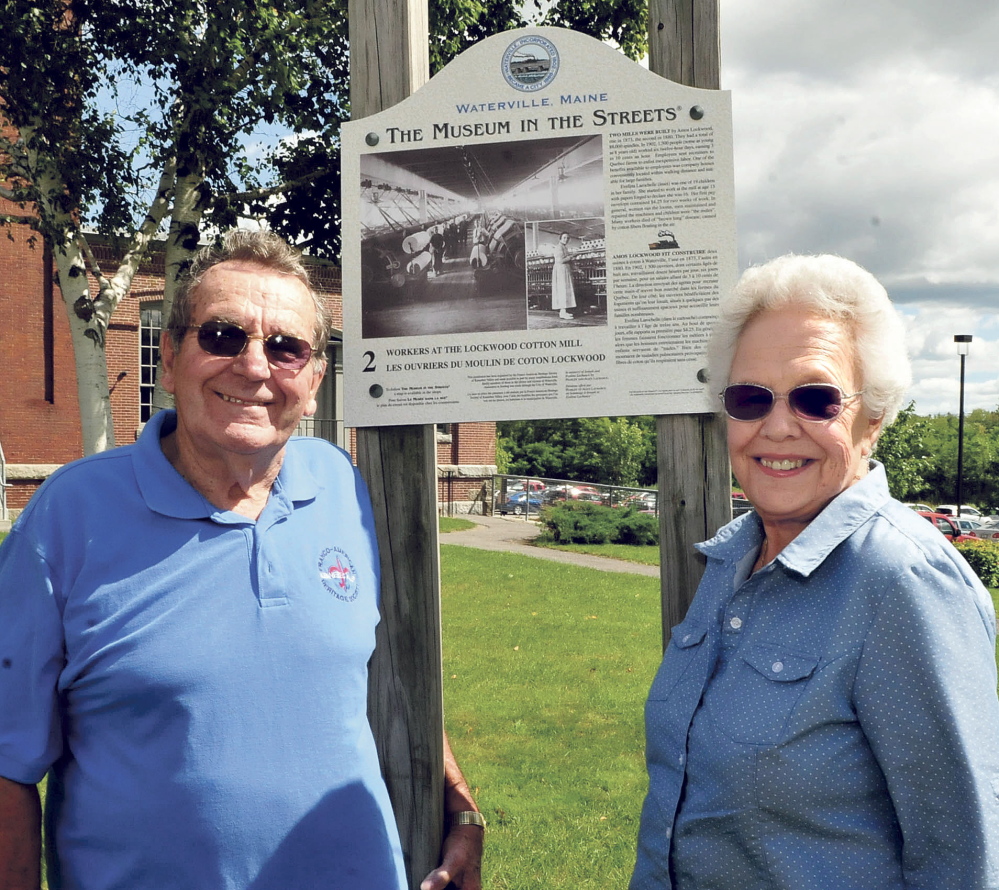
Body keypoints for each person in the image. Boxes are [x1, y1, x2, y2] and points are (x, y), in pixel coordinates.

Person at [0, 231, 483, 890]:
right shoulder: (68, 516)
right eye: (223, 336)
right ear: (169, 358)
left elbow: (368, 680)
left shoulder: (344, 488)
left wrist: (462, 810)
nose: (254, 368)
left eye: (286, 348)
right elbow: (6, 763)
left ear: (313, 382)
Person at [631, 254, 999, 889]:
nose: (776, 427)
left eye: (815, 398)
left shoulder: (904, 585)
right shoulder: (730, 562)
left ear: (872, 415)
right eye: (750, 398)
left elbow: (962, 861)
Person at [551, 232, 577, 320]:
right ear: (560, 238)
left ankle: (564, 311)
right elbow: (560, 260)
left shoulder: (564, 248)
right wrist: (571, 256)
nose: (566, 239)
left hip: (564, 271)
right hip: (561, 272)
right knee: (562, 291)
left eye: (567, 238)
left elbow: (566, 260)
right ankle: (562, 312)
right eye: (564, 237)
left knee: (565, 291)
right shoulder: (558, 247)